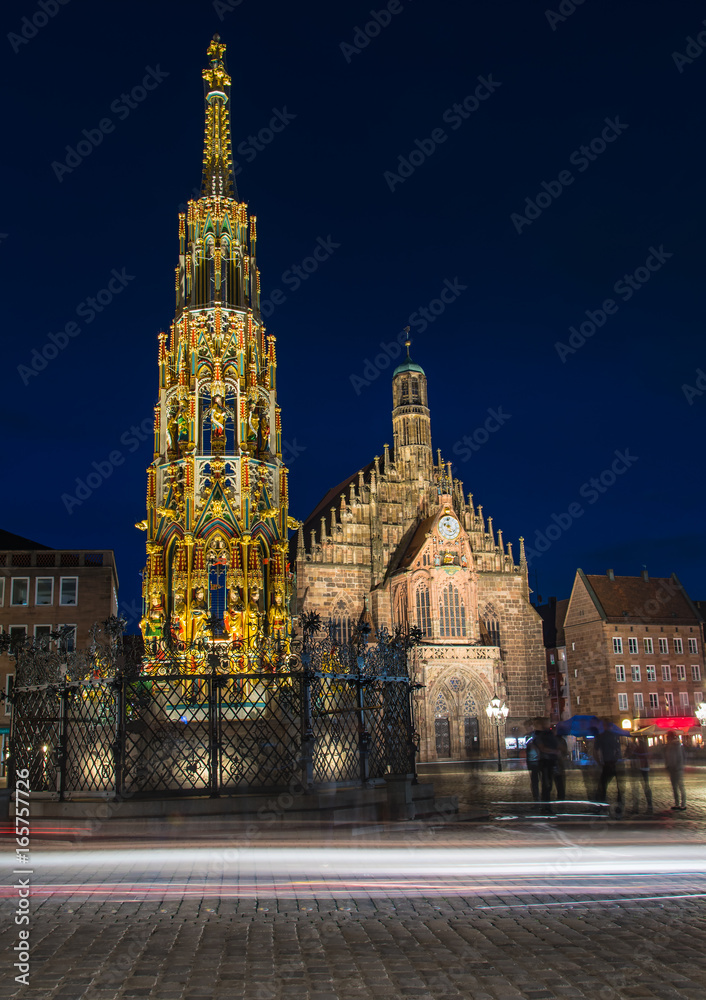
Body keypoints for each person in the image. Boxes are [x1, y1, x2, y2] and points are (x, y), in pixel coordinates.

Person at [594, 724, 623, 808]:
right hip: (614, 763)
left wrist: (599, 762)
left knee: (603, 784)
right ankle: (619, 803)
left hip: (607, 763)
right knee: (619, 786)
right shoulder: (614, 736)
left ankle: (601, 802)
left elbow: (596, 751)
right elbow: (618, 750)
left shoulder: (601, 737)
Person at [627, 735, 653, 814]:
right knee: (646, 787)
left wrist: (632, 750)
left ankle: (636, 808)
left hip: (639, 768)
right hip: (645, 768)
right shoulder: (646, 748)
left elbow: (632, 756)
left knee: (636, 788)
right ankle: (649, 806)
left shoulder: (638, 748)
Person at [664, 732, 686, 811]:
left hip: (677, 768)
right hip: (672, 768)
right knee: (675, 787)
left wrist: (678, 766)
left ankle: (683, 804)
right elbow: (668, 756)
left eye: (668, 737)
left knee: (680, 786)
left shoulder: (677, 745)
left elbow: (680, 757)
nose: (667, 739)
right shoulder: (669, 746)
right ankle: (677, 804)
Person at [524, 721, 541, 802]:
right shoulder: (528, 736)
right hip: (533, 761)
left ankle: (541, 796)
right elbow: (528, 744)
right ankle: (536, 796)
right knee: (534, 781)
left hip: (539, 760)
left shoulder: (537, 735)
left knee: (542, 779)